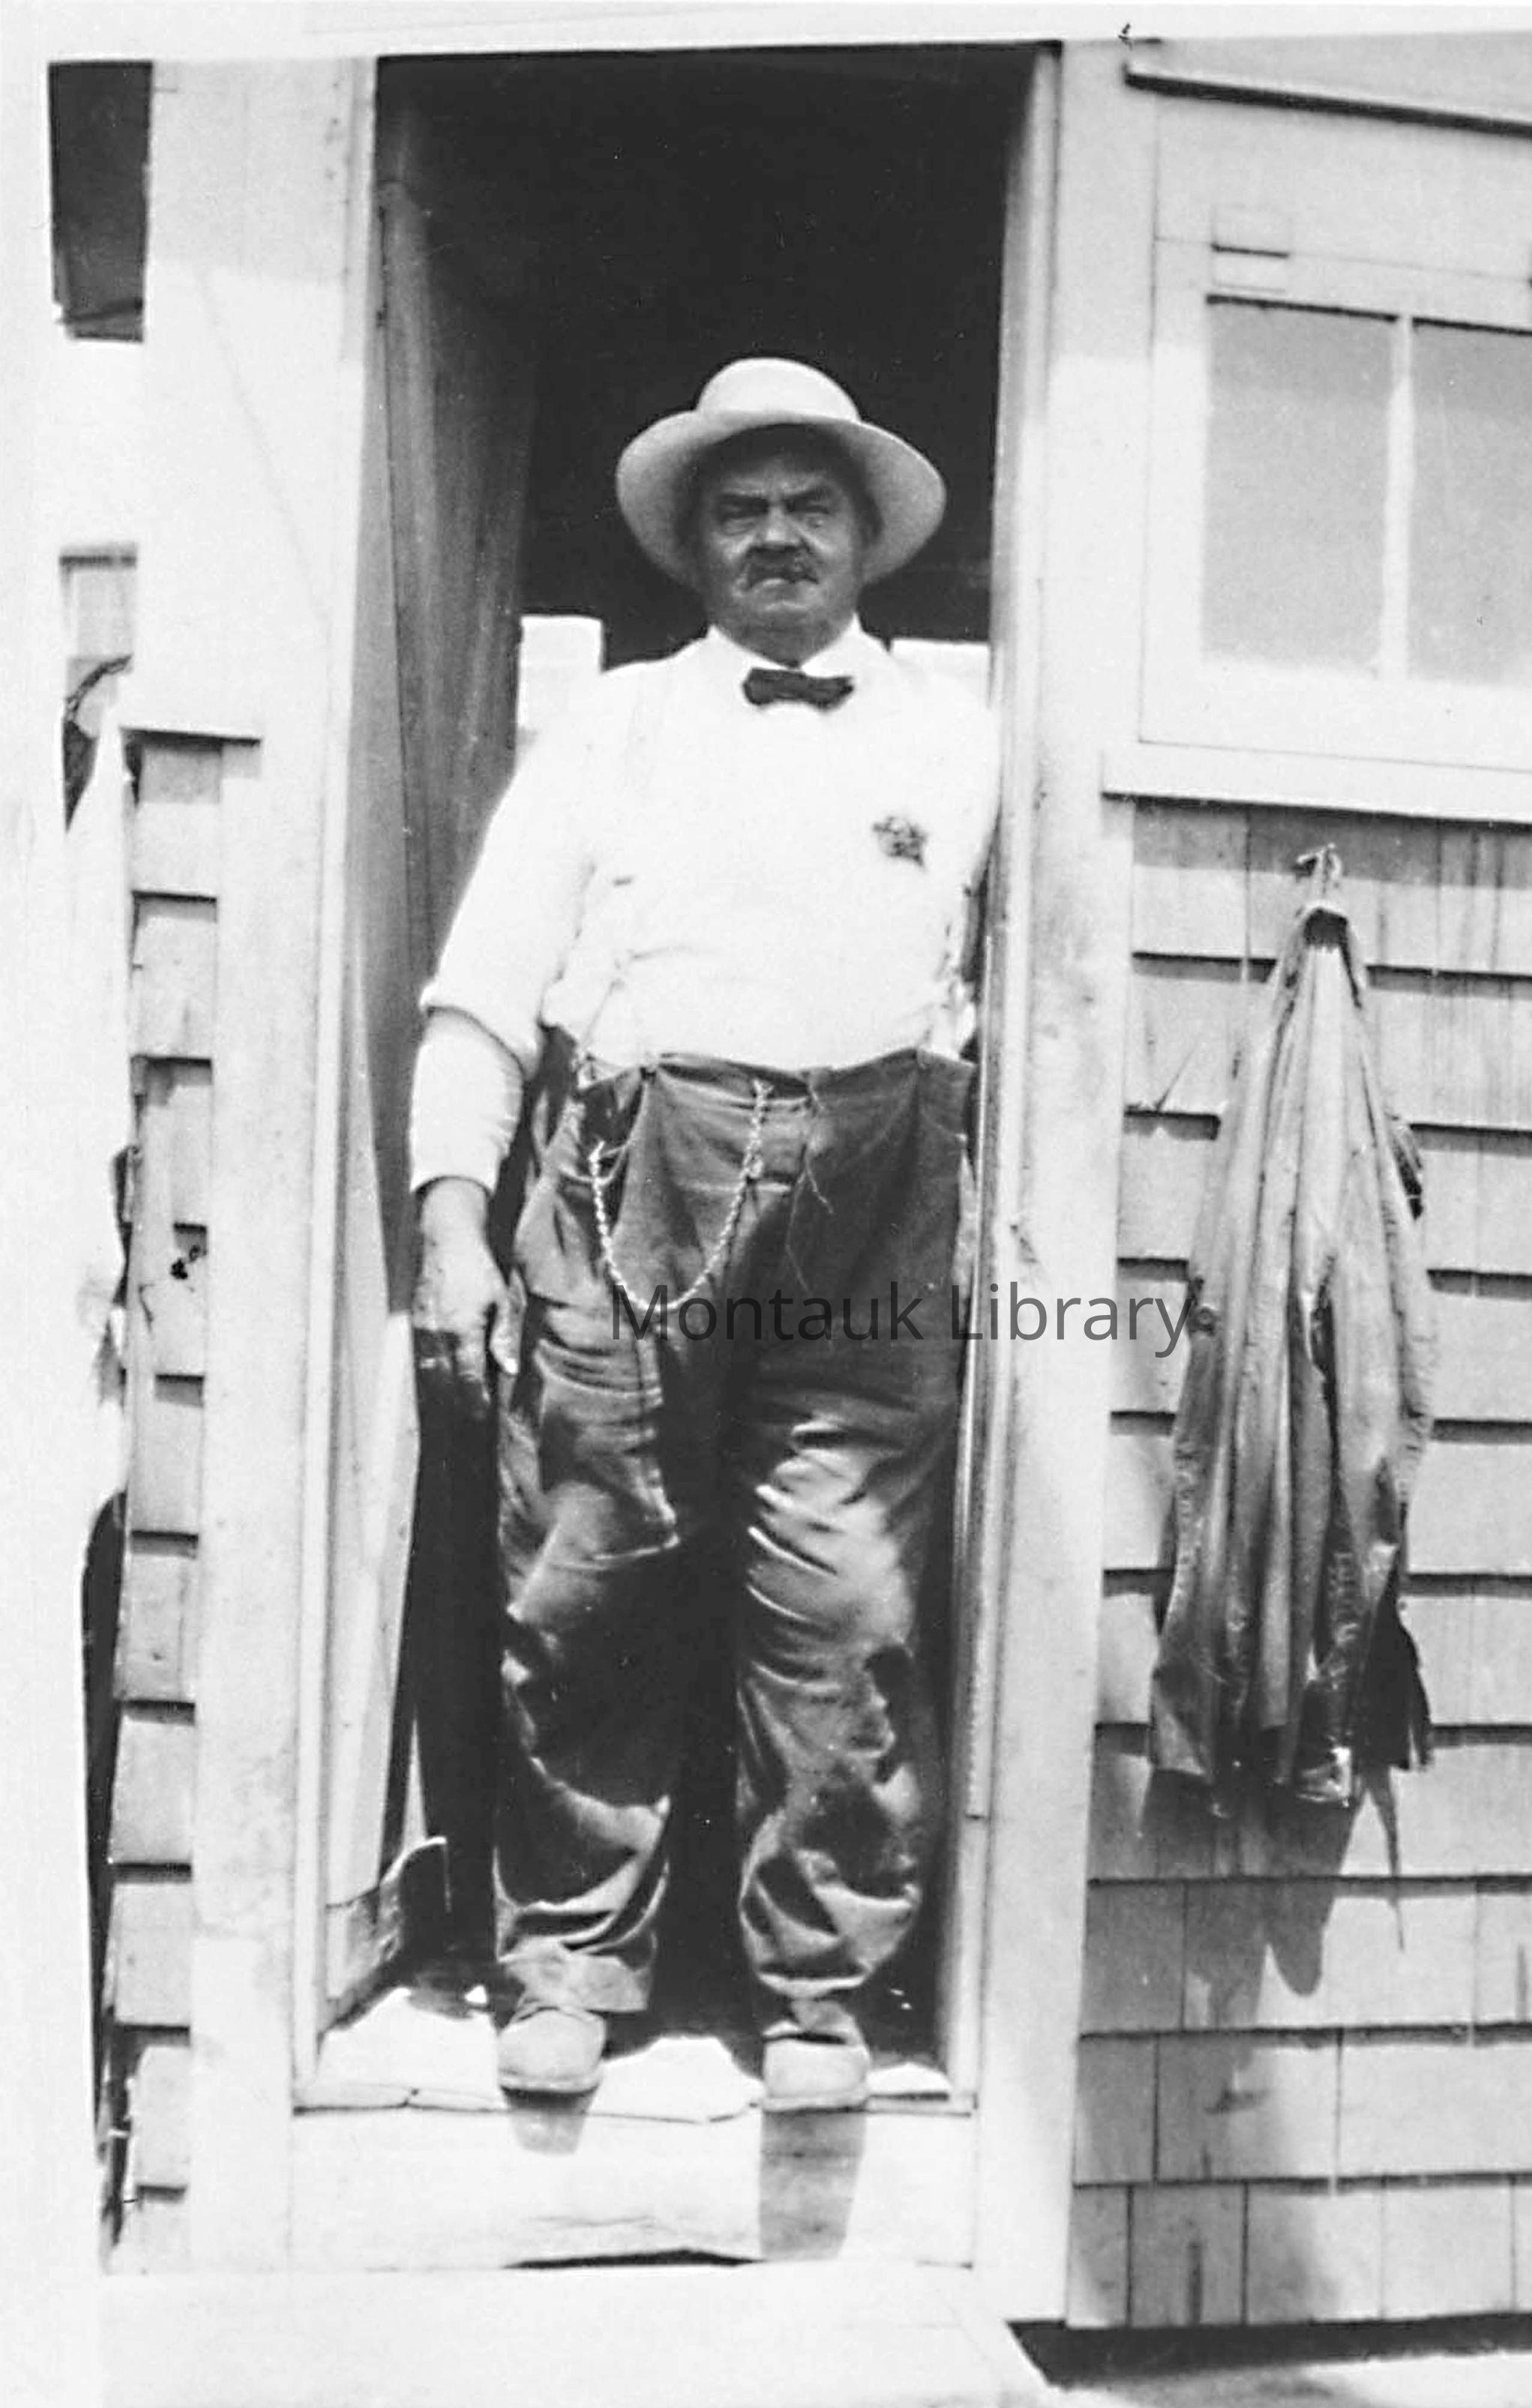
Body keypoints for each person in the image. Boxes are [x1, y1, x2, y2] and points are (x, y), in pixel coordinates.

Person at [408, 358, 1000, 2110]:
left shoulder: (960, 744)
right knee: (590, 1571)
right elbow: (484, 987)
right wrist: (453, 1216)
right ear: (696, 546)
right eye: (741, 511)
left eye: (810, 505)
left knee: (848, 1596)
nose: (777, 535)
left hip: (878, 1206)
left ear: (865, 535)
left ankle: (820, 1989)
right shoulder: (614, 730)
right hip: (631, 1185)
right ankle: (569, 1960)